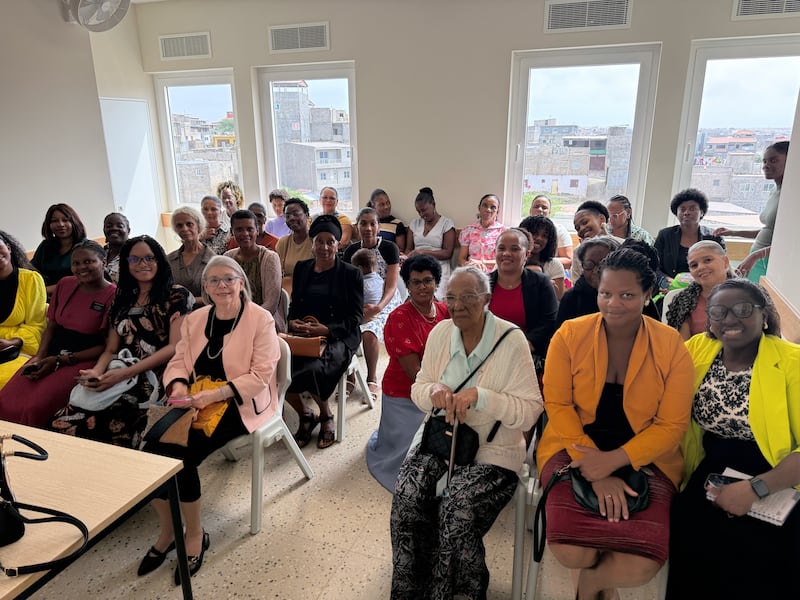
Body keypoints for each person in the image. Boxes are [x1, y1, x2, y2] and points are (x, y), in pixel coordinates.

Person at [537, 248, 695, 600]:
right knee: (572, 550)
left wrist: (613, 461)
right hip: (571, 446)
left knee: (640, 564)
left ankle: (591, 586)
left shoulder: (671, 345)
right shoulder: (569, 334)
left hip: (649, 456)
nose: (613, 304)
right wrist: (596, 466)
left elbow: (671, 426)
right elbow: (558, 405)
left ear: (647, 294)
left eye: (627, 295)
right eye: (606, 293)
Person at [390, 266, 543, 600]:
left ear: (486, 299)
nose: (458, 306)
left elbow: (531, 409)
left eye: (468, 297)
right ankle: (411, 589)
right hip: (442, 443)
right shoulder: (441, 333)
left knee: (457, 508)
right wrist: (434, 393)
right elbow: (419, 388)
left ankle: (465, 590)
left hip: (494, 450)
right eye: (451, 298)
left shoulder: (511, 339)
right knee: (407, 495)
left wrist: (482, 397)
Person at [138, 255, 280, 584]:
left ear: (241, 282)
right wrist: (177, 387)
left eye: (229, 278)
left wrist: (211, 397)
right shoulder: (197, 318)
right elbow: (178, 361)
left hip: (237, 401)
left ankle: (195, 534)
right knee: (150, 452)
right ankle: (170, 530)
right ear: (204, 288)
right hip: (193, 396)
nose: (222, 285)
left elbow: (260, 376)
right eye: (213, 280)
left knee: (180, 457)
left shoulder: (260, 320)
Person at [667, 279, 800, 599]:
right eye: (719, 311)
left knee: (759, 555)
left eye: (742, 309)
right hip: (710, 464)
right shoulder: (699, 348)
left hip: (778, 473)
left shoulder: (793, 362)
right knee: (690, 535)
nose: (729, 318)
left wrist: (757, 488)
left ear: (764, 315)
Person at [53, 236, 192, 447]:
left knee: (113, 428)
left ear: (160, 261)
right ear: (126, 263)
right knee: (60, 423)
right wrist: (97, 372)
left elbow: (174, 347)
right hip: (118, 370)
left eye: (149, 258)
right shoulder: (122, 298)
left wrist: (124, 374)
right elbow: (110, 349)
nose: (142, 264)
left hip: (157, 374)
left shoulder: (176, 296)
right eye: (134, 259)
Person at [0, 240, 115, 427]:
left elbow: (106, 346)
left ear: (103, 262)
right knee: (5, 399)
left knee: (32, 408)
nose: (81, 268)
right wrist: (39, 357)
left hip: (82, 359)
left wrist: (61, 360)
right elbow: (51, 326)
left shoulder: (112, 295)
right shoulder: (65, 284)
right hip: (51, 353)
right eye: (76, 263)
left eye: (88, 262)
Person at [366, 254, 449, 492]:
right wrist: (446, 392)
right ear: (408, 286)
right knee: (412, 452)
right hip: (407, 393)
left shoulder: (445, 311)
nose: (423, 286)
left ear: (436, 282)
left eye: (428, 280)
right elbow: (415, 374)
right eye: (416, 282)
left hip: (440, 385)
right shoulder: (400, 318)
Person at [285, 215, 363, 449]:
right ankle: (305, 414)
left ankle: (326, 414)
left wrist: (327, 330)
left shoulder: (351, 273)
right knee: (278, 365)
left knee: (314, 369)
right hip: (305, 333)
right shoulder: (302, 268)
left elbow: (356, 318)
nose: (325, 247)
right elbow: (294, 307)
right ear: (313, 244)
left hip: (339, 334)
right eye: (320, 241)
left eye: (331, 242)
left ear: (338, 244)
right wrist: (293, 323)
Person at [343, 207, 402, 400]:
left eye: (372, 223)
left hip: (385, 301)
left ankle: (371, 377)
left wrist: (378, 308)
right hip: (359, 301)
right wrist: (357, 309)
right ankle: (350, 376)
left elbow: (392, 286)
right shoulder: (351, 250)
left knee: (369, 332)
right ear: (357, 226)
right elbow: (347, 286)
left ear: (378, 227)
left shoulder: (389, 248)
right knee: (343, 327)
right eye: (363, 223)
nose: (368, 228)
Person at [714, 141, 790, 282]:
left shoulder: (792, 197)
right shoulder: (775, 191)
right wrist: (733, 232)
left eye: (773, 160)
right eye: (764, 161)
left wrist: (755, 256)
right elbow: (768, 231)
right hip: (759, 259)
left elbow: (790, 242)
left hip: (770, 263)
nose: (766, 165)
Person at [488, 228, 558, 374]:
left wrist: (523, 346)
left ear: (526, 254)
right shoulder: (483, 283)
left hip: (526, 356)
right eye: (501, 248)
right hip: (487, 355)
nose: (506, 253)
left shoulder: (542, 283)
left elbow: (549, 321)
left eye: (514, 249)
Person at [224, 209, 284, 332]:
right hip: (231, 321)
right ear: (232, 232)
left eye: (249, 229)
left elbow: (271, 302)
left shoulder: (269, 258)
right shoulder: (227, 258)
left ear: (257, 231)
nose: (245, 233)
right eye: (239, 229)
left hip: (264, 322)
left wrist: (246, 322)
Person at [0, 231, 47, 390]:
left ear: (8, 247)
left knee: (6, 380)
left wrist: (12, 342)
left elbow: (37, 326)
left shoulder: (31, 279)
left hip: (19, 349)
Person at [654, 188, 725, 289]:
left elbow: (721, 268)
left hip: (705, 289)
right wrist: (666, 282)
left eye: (692, 209)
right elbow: (653, 266)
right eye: (682, 209)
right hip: (669, 289)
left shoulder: (713, 237)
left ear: (702, 212)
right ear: (676, 213)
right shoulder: (665, 235)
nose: (686, 213)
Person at [664, 241, 731, 340]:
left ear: (725, 262)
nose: (701, 267)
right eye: (694, 265)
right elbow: (683, 349)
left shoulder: (748, 295)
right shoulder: (684, 301)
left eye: (707, 260)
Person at [556, 236, 621, 327]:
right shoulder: (572, 298)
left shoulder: (627, 297)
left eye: (603, 264)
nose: (595, 271)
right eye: (589, 264)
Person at [405, 187, 456, 300]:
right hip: (416, 265)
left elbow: (448, 253)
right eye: (418, 211)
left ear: (433, 204)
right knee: (408, 294)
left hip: (439, 265)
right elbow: (408, 249)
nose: (421, 214)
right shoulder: (414, 223)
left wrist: (423, 252)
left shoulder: (446, 224)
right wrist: (409, 256)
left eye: (424, 210)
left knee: (433, 296)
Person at [30, 203, 88, 294]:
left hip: (76, 295)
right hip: (46, 297)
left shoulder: (85, 246)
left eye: (65, 220)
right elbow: (32, 270)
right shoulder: (46, 246)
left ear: (74, 222)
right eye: (54, 221)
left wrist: (43, 291)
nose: (60, 224)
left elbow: (82, 280)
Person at [166, 205, 216, 303]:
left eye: (189, 224)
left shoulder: (213, 260)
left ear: (198, 225)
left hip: (205, 314)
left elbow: (218, 294)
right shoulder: (169, 259)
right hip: (176, 316)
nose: (184, 229)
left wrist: (188, 300)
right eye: (179, 226)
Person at [571, 200, 622, 282]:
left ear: (602, 219)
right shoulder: (578, 252)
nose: (582, 229)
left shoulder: (622, 244)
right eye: (577, 228)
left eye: (585, 222)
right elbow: (576, 283)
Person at [519, 215, 566, 299]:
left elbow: (558, 299)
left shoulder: (554, 265)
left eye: (544, 236)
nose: (539, 238)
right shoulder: (512, 260)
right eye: (534, 233)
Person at [458, 193, 507, 272]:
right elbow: (461, 259)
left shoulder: (504, 232)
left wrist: (482, 263)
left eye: (493, 207)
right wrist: (469, 265)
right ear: (479, 208)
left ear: (498, 211)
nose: (488, 209)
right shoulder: (468, 230)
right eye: (485, 205)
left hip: (495, 274)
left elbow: (504, 260)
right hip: (472, 272)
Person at [275, 197, 314, 294]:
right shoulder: (283, 243)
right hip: (288, 293)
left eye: (296, 214)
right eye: (287, 216)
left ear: (307, 215)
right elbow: (277, 274)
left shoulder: (316, 241)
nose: (291, 218)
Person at [530, 194, 574, 269]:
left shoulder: (559, 230)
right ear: (530, 210)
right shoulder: (523, 229)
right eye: (536, 206)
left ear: (549, 212)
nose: (540, 209)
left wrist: (540, 262)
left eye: (544, 208)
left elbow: (568, 261)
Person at [369, 188, 407, 254]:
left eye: (388, 203)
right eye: (382, 204)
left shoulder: (397, 224)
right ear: (373, 206)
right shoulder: (368, 223)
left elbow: (400, 250)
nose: (386, 207)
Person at [102, 212, 130, 283]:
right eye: (109, 226)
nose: (114, 228)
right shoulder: (99, 253)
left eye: (120, 226)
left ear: (128, 230)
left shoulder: (135, 253)